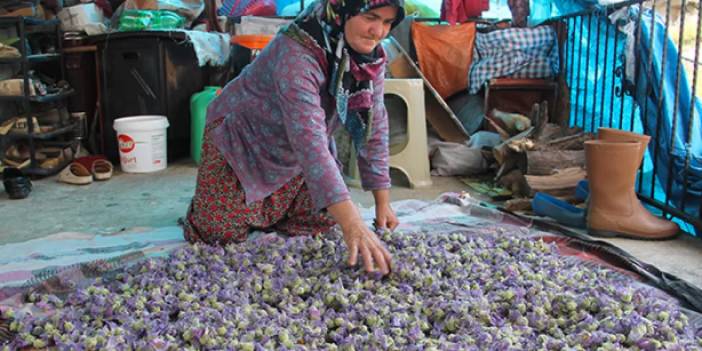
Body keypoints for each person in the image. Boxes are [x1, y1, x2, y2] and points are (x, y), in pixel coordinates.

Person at [183, 0, 406, 275]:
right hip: (245, 138)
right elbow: (310, 143)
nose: (378, 31)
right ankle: (219, 203)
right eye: (371, 17)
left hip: (297, 147)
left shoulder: (370, 58)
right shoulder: (297, 52)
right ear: (341, 12)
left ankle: (271, 211)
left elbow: (374, 123)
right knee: (218, 232)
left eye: (387, 22)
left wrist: (382, 202)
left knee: (326, 220)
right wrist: (354, 225)